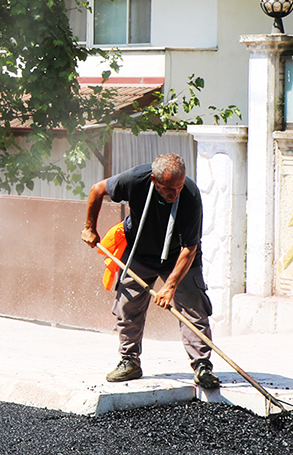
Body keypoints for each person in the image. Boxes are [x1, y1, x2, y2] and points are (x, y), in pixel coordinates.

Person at [81, 152, 220, 390]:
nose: (174, 193)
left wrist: (171, 286)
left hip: (178, 254)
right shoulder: (135, 179)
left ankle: (202, 367)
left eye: (178, 187)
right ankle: (129, 361)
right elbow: (96, 190)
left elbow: (190, 247)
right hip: (139, 249)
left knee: (193, 306)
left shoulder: (190, 195)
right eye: (169, 189)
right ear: (154, 180)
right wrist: (89, 228)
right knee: (127, 305)